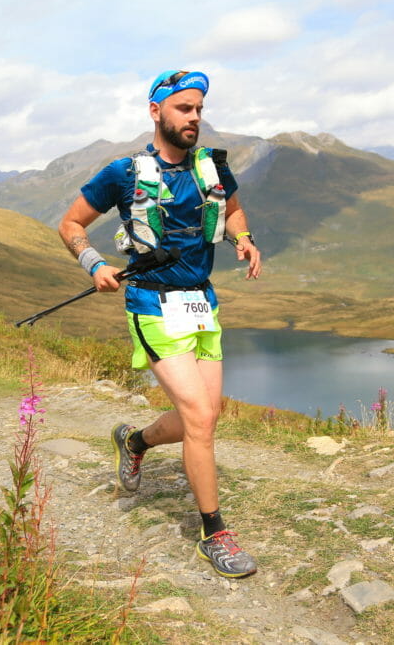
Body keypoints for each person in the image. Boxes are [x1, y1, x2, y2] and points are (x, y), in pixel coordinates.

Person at [58, 70, 263, 578]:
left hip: (202, 304)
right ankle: (213, 533)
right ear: (156, 112)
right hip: (151, 304)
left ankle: (135, 442)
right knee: (197, 414)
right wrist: (94, 264)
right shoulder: (123, 173)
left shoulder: (212, 169)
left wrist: (243, 237)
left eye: (198, 109)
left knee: (206, 415)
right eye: (183, 109)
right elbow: (71, 224)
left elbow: (233, 210)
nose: (194, 118)